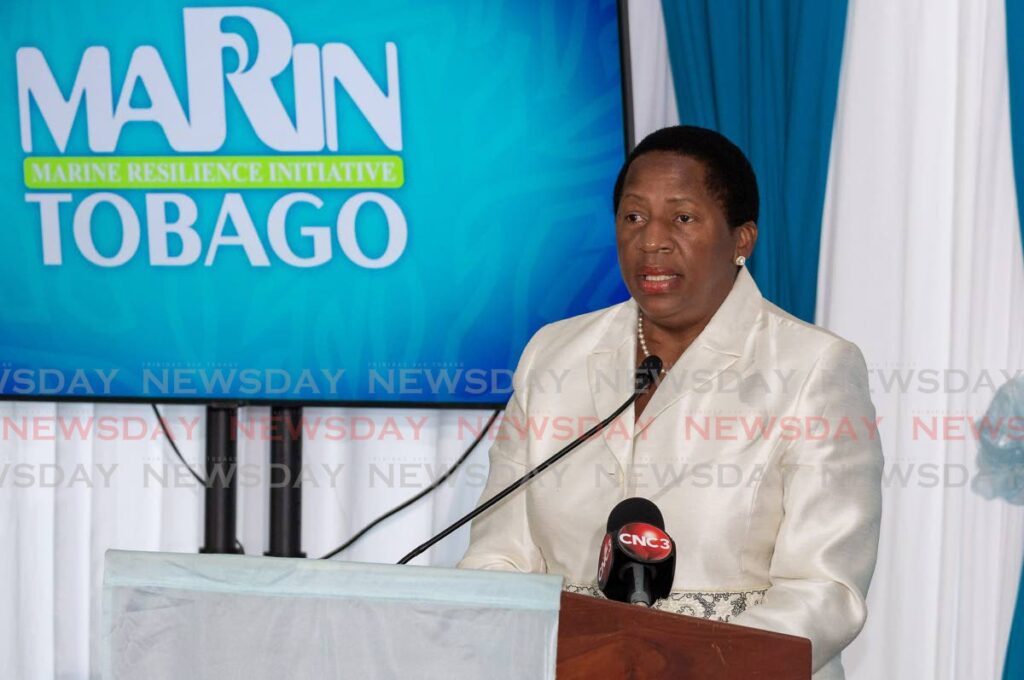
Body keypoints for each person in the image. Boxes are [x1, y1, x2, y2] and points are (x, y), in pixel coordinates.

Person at [458, 125, 883, 680]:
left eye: (682, 218)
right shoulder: (553, 355)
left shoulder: (813, 367)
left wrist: (681, 666)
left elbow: (826, 589)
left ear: (742, 239)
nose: (652, 240)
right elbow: (498, 557)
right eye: (634, 217)